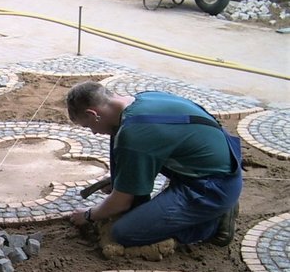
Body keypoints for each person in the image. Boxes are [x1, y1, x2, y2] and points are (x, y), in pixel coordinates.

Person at [66, 81, 242, 247]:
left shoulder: (134, 134)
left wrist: (88, 215)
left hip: (212, 187)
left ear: (93, 114)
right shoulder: (141, 100)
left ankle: (214, 222)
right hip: (215, 163)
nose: (94, 133)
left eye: (88, 126)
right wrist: (124, 178)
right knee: (118, 134)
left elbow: (121, 203)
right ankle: (214, 208)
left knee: (123, 232)